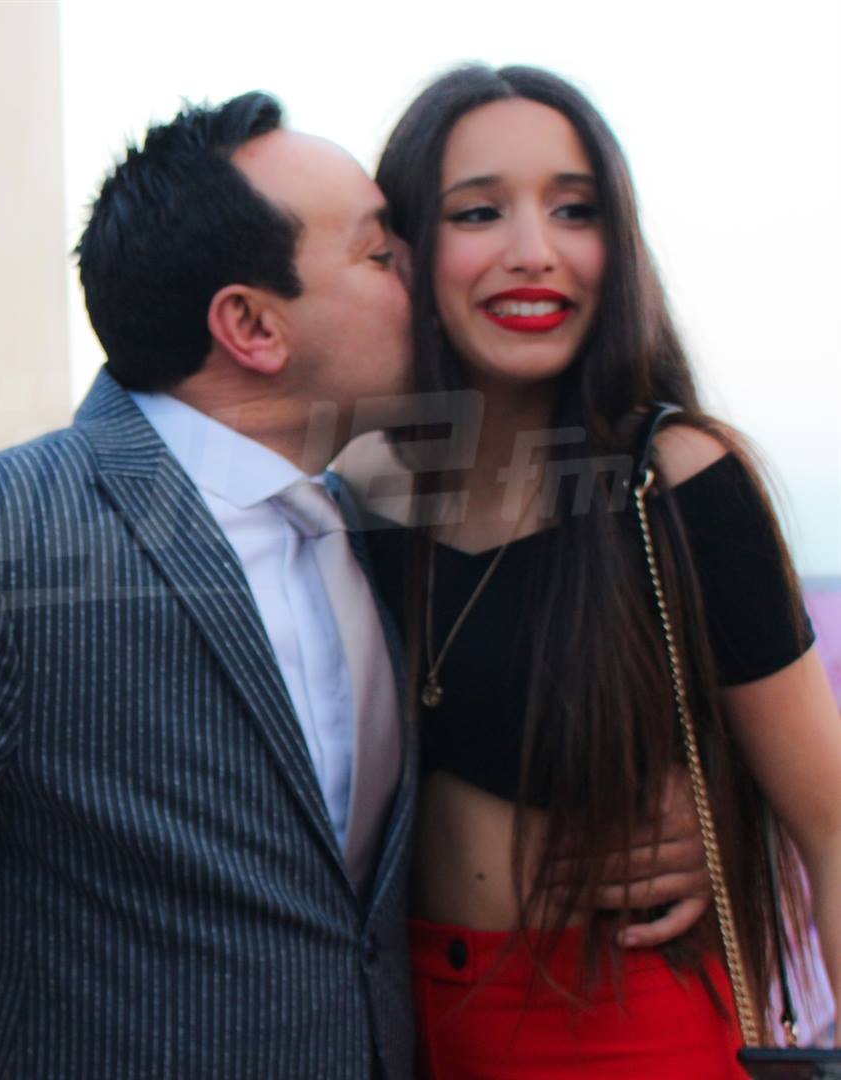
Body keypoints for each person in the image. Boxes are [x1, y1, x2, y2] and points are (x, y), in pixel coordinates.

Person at [0, 91, 709, 1079]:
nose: (426, 274)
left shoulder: (380, 525)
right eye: (380, 254)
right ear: (251, 324)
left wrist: (699, 831)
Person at [339, 63, 841, 1076]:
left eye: (576, 210)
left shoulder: (680, 479)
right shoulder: (351, 489)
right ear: (407, 250)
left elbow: (830, 823)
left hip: (620, 1023)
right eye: (479, 212)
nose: (535, 252)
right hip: (388, 1027)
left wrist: (720, 820)